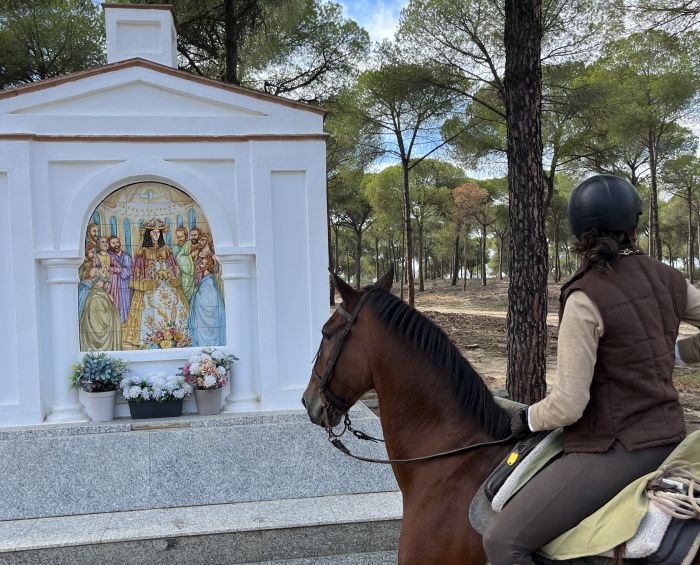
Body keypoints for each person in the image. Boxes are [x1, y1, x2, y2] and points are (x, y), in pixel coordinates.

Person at [483, 174, 699, 564]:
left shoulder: (585, 295)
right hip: (671, 435)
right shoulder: (671, 278)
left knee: (502, 541)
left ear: (578, 235)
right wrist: (678, 354)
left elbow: (568, 406)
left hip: (614, 449)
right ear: (635, 227)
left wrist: (526, 417)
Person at [122, 219, 189, 348]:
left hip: (167, 285)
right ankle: (153, 337)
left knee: (175, 305)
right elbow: (138, 272)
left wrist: (167, 274)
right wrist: (153, 278)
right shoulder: (143, 252)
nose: (156, 235)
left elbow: (174, 268)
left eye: (158, 233)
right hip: (151, 287)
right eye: (153, 233)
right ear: (148, 234)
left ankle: (175, 335)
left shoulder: (166, 250)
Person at [187, 255, 226, 347]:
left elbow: (208, 306)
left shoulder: (209, 284)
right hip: (203, 323)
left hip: (208, 324)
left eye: (202, 264)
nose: (199, 265)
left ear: (208, 266)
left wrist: (196, 294)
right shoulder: (205, 281)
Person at [108, 236, 133, 323]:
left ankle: (125, 323)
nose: (116, 245)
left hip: (124, 285)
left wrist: (117, 270)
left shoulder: (126, 257)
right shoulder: (109, 256)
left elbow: (128, 272)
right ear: (109, 245)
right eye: (113, 243)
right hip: (113, 285)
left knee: (125, 304)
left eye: (117, 242)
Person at [172, 227, 194, 302]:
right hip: (181, 277)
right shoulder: (175, 248)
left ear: (186, 236)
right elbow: (177, 261)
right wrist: (191, 256)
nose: (179, 239)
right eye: (178, 237)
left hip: (191, 277)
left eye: (181, 237)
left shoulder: (190, 244)